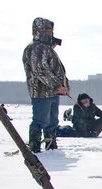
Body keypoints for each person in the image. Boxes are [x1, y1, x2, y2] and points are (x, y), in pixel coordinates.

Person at [22, 17, 69, 152]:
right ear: (40, 31)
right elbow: (40, 71)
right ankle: (35, 147)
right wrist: (56, 85)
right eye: (49, 30)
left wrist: (63, 87)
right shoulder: (35, 48)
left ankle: (51, 146)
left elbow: (56, 70)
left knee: (52, 122)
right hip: (41, 92)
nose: (51, 33)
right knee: (40, 121)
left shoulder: (47, 48)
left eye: (52, 30)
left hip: (54, 92)